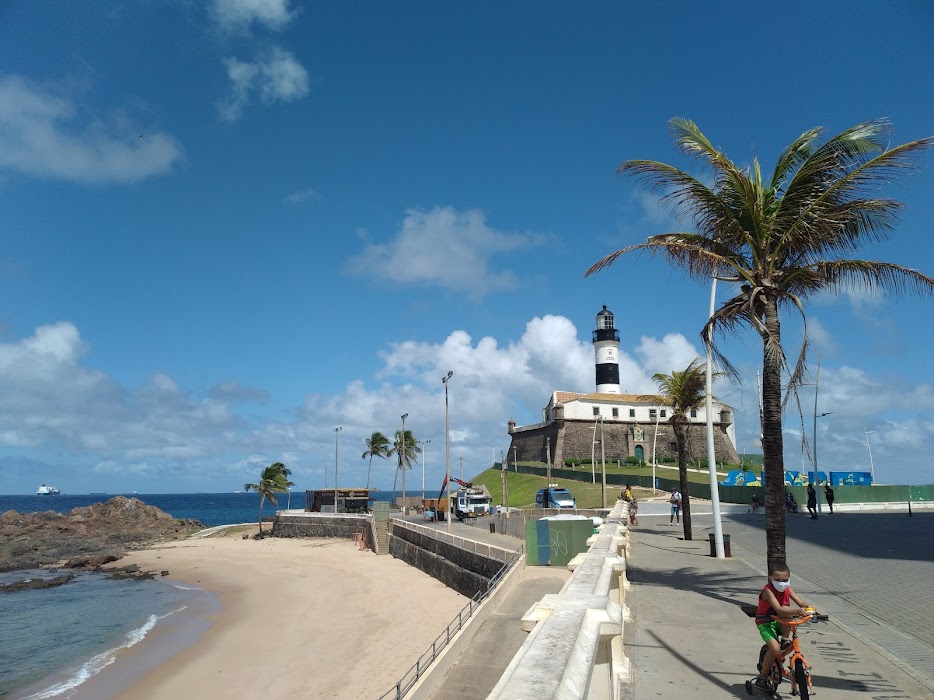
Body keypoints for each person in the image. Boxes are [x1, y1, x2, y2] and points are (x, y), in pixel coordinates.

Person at [752, 563, 814, 694]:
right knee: (774, 648)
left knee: (789, 618)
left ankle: (785, 639)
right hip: (766, 622)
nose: (782, 583)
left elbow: (801, 602)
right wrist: (797, 610)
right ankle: (762, 677)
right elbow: (779, 609)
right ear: (770, 579)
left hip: (781, 620)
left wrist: (810, 608)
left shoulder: (788, 589)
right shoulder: (768, 591)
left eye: (785, 580)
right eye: (777, 580)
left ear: (789, 579)